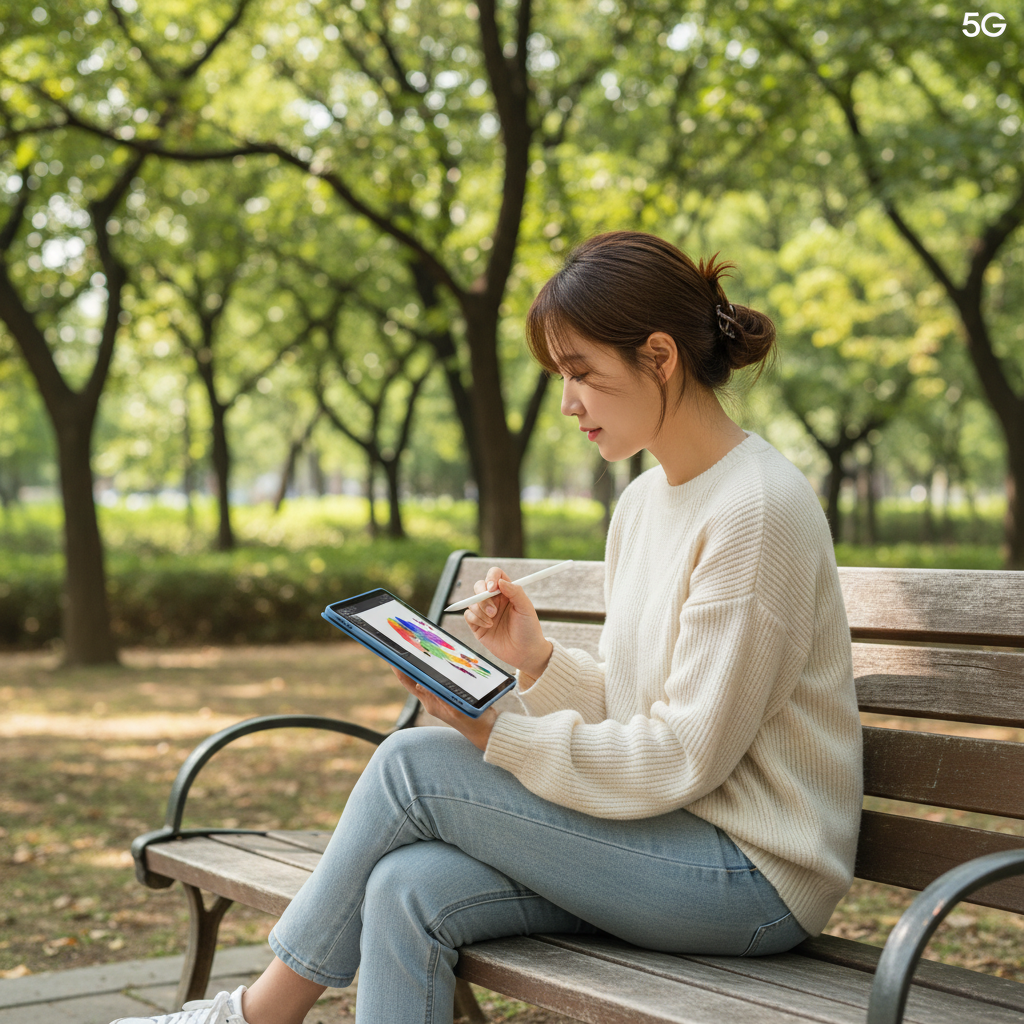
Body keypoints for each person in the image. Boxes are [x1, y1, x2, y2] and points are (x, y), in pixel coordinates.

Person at [111, 231, 862, 1024]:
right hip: (664, 837)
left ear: (661, 358)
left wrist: (496, 731)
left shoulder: (756, 510)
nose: (568, 404)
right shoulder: (644, 503)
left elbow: (682, 753)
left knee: (412, 765)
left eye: (583, 374)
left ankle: (255, 1016)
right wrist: (536, 661)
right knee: (408, 889)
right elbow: (644, 706)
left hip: (752, 875)